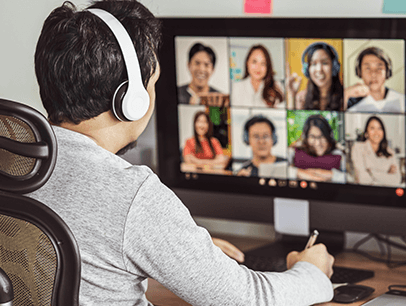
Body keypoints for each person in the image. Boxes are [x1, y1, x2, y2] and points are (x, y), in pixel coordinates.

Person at [29, 1, 334, 305]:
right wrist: (312, 271)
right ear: (130, 99)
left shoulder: (17, 163)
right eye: (154, 82)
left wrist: (175, 246)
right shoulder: (132, 196)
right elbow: (248, 298)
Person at [345, 46, 404, 113]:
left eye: (379, 68)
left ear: (387, 71)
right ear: (359, 72)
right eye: (367, 68)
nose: (373, 74)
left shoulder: (402, 100)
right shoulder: (350, 104)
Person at [288, 115, 346, 183]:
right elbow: (281, 170)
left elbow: (350, 178)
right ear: (306, 138)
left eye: (322, 136)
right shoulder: (294, 151)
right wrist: (300, 173)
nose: (318, 143)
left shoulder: (339, 154)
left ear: (329, 136)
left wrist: (330, 174)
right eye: (312, 137)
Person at [287, 42, 343, 111]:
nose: (319, 69)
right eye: (313, 64)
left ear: (334, 67)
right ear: (307, 70)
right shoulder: (301, 98)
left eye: (324, 63)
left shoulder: (344, 96)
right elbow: (293, 120)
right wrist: (291, 95)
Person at [351, 116, 401, 186]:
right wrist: (386, 174)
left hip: (386, 195)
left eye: (379, 128)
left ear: (383, 132)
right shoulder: (358, 148)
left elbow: (396, 180)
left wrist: (372, 172)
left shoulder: (390, 152)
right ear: (366, 133)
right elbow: (363, 180)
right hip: (364, 194)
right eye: (372, 128)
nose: (376, 132)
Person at [178, 42, 229, 107]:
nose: (201, 69)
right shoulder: (176, 93)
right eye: (197, 63)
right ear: (188, 65)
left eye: (206, 65)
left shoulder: (220, 98)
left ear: (213, 69)